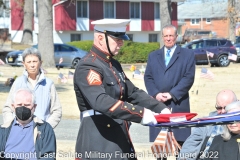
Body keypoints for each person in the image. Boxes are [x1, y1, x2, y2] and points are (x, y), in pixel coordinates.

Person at [73, 19, 170, 160]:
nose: (121, 43)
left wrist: (160, 108)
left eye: (122, 39)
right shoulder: (88, 66)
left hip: (119, 137)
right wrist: (141, 114)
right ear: (100, 38)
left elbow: (133, 92)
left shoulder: (113, 64)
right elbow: (101, 101)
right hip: (99, 141)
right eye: (116, 38)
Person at [144, 24, 196, 147]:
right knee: (160, 147)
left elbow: (188, 78)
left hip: (178, 104)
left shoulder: (187, 55)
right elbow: (148, 77)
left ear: (176, 37)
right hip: (158, 105)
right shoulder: (153, 56)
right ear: (162, 37)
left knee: (180, 145)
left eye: (171, 36)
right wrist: (156, 94)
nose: (168, 39)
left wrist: (172, 94)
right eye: (166, 36)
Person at [2, 47, 62, 128]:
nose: (32, 65)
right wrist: (11, 126)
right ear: (24, 64)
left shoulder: (49, 84)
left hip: (41, 133)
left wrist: (46, 128)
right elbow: (7, 108)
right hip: (18, 130)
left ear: (40, 63)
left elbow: (57, 111)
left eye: (35, 61)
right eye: (29, 62)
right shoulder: (18, 82)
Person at [179, 89, 237, 160]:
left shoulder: (236, 125)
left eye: (226, 107)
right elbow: (191, 144)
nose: (222, 111)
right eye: (219, 108)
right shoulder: (206, 124)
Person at [0, 88, 56, 160]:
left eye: (27, 105)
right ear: (13, 107)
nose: (23, 108)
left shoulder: (45, 129)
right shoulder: (3, 130)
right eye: (19, 104)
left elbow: (49, 156)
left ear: (34, 107)